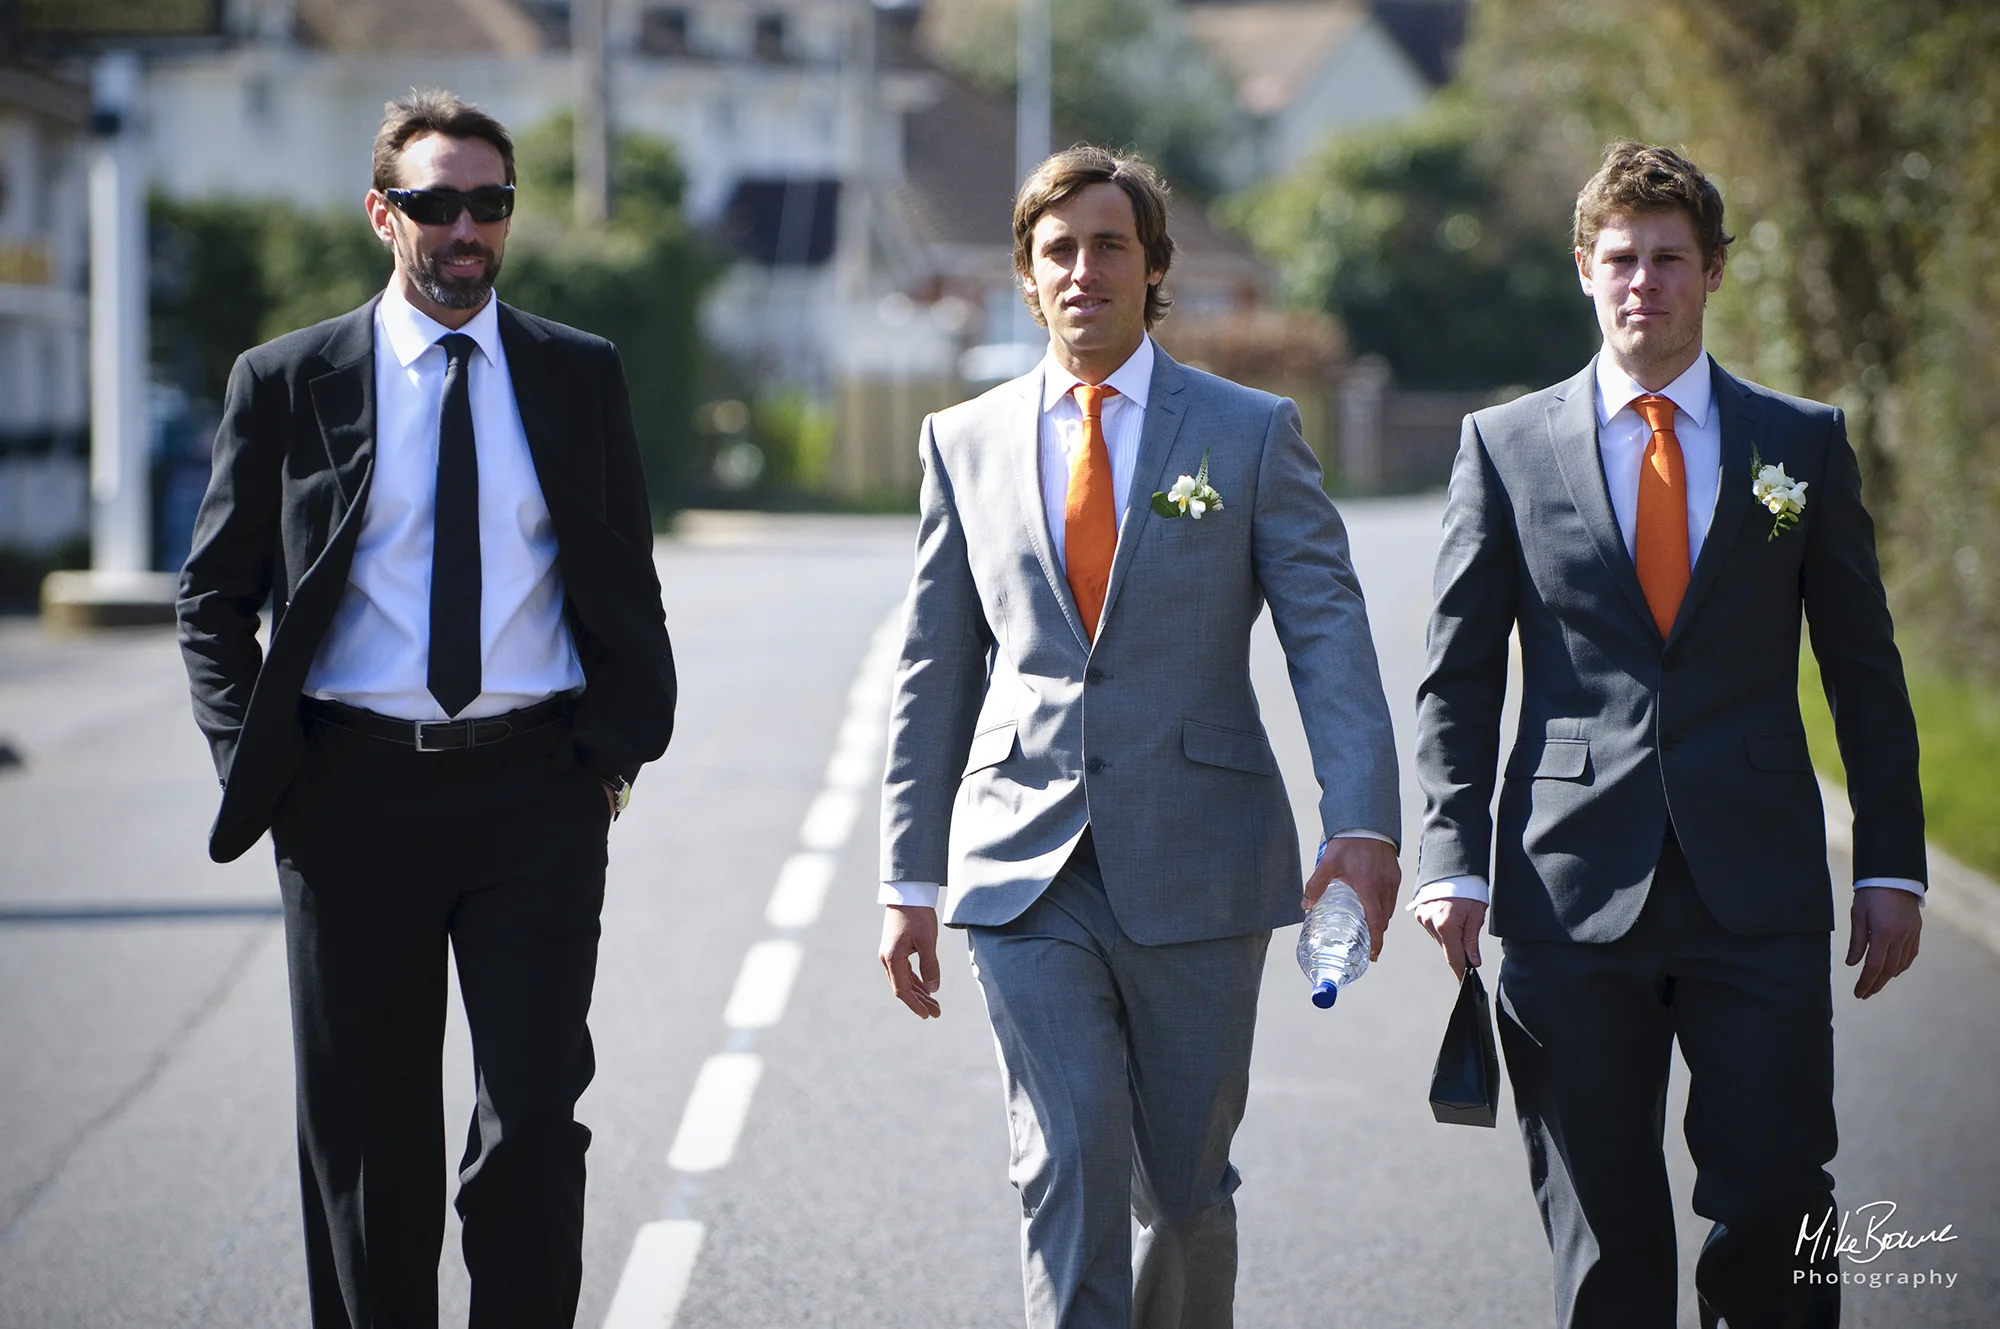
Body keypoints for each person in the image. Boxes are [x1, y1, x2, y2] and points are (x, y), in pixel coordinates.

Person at [876, 145, 1402, 1329]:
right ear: (1024, 275)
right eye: (1055, 250)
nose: (1081, 270)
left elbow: (1327, 634)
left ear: (1152, 266)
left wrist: (1360, 823)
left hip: (1202, 862)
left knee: (1182, 1191)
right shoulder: (961, 443)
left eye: (1107, 245)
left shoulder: (1249, 432)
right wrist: (907, 875)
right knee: (1062, 1164)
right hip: (1022, 867)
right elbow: (936, 667)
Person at [176, 90, 675, 1329]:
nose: (466, 229)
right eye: (436, 203)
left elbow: (624, 577)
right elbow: (212, 598)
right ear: (380, 213)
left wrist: (607, 760)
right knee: (366, 1139)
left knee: (531, 1124)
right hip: (350, 799)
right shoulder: (288, 381)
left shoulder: (576, 372)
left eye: (489, 203)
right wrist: (269, 769)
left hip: (534, 795)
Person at [1412, 141, 1926, 1329]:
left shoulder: (1797, 444)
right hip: (1564, 886)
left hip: (1757, 890)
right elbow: (1454, 679)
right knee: (1602, 1232)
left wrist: (1892, 861)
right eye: (1618, 259)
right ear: (1583, 274)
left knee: (1775, 1203)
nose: (1641, 281)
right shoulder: (1501, 446)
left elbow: (1861, 668)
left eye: (1667, 259)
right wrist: (1449, 858)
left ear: (1712, 273)